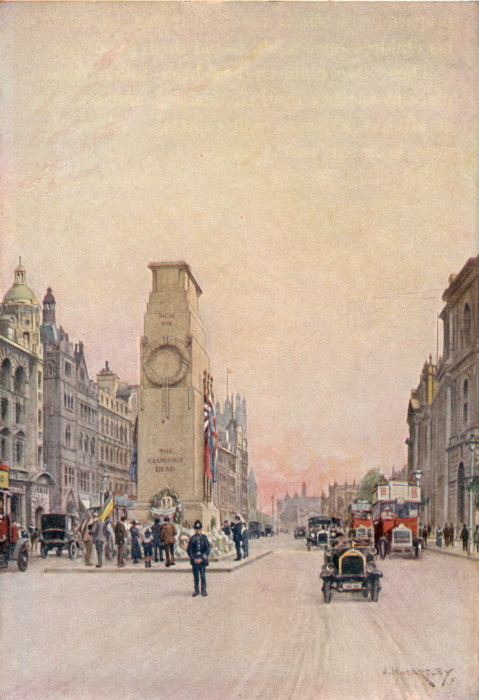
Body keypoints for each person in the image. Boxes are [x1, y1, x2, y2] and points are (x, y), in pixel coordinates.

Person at [187, 519, 210, 597]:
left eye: (199, 529)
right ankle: (196, 590)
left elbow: (207, 549)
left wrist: (202, 558)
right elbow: (189, 550)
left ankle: (203, 590)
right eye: (196, 529)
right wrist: (193, 558)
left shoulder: (204, 538)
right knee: (196, 576)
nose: (197, 531)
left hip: (202, 560)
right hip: (195, 560)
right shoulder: (192, 538)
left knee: (203, 576)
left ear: (201, 529)